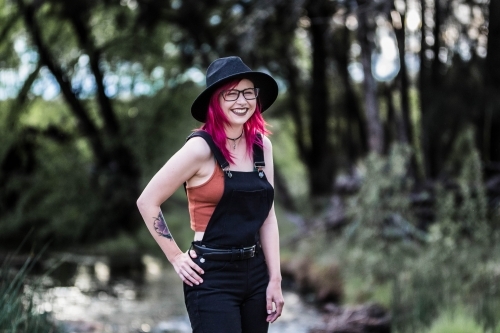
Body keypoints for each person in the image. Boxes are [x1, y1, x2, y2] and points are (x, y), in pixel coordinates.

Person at [136, 56, 284, 333]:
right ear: (216, 100)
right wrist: (176, 257)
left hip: (256, 272)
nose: (242, 101)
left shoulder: (262, 146)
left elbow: (268, 217)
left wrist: (274, 279)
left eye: (248, 92)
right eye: (231, 93)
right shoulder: (199, 149)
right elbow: (147, 201)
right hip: (212, 276)